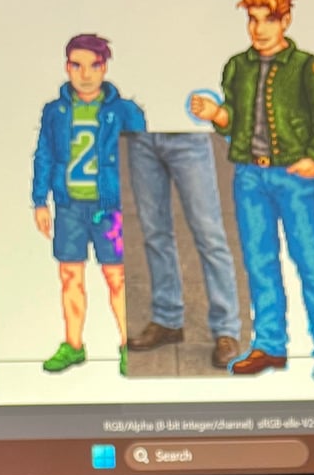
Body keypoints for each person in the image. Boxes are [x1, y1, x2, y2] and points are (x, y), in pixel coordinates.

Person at [189, 0, 314, 382]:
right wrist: (218, 115)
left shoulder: (309, 67)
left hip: (293, 176)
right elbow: (236, 123)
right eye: (253, 19)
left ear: (286, 21)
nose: (259, 28)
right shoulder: (237, 67)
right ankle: (270, 345)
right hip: (249, 176)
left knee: (309, 261)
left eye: (269, 19)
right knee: (259, 263)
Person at [32, 33, 146, 375]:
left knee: (117, 277)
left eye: (94, 65)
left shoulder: (124, 111)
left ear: (104, 67)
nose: (85, 74)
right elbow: (44, 155)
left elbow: (142, 158)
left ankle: (130, 345)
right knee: (70, 276)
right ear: (67, 67)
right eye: (77, 65)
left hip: (111, 209)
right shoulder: (55, 112)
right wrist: (40, 200)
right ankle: (73, 345)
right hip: (69, 207)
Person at [126, 134, 242, 371]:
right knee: (155, 234)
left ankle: (226, 329)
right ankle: (167, 319)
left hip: (188, 138)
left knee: (209, 236)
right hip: (142, 137)